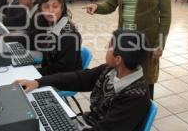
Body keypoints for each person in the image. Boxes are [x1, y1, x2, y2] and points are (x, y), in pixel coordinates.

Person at [14, 29, 150, 131]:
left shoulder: (135, 97)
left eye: (109, 47)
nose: (105, 48)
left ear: (118, 59)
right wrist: (38, 82)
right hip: (87, 123)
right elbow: (78, 78)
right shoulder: (110, 70)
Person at [84, 0, 171, 99]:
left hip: (146, 41)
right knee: (123, 78)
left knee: (145, 80)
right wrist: (96, 7)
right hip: (124, 40)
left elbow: (165, 16)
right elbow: (110, 5)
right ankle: (125, 114)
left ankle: (143, 115)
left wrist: (160, 43)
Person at [31, 0, 82, 76]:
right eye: (46, 7)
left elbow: (64, 68)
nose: (50, 11)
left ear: (62, 9)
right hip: (50, 71)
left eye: (55, 7)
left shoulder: (69, 36)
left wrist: (35, 73)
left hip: (64, 79)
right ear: (40, 9)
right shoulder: (47, 24)